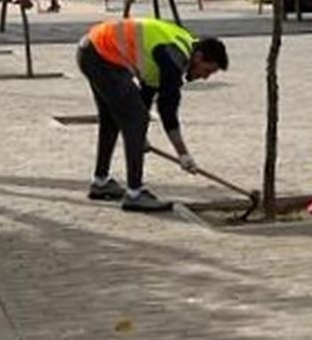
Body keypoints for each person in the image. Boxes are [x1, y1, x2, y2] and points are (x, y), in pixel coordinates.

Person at [77, 17, 229, 212]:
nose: (205, 76)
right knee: (135, 120)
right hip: (103, 56)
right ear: (198, 57)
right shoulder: (174, 59)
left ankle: (100, 182)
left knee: (113, 120)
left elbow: (145, 96)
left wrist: (140, 136)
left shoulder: (180, 45)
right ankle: (135, 194)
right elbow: (167, 111)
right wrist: (183, 154)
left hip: (92, 49)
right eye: (207, 70)